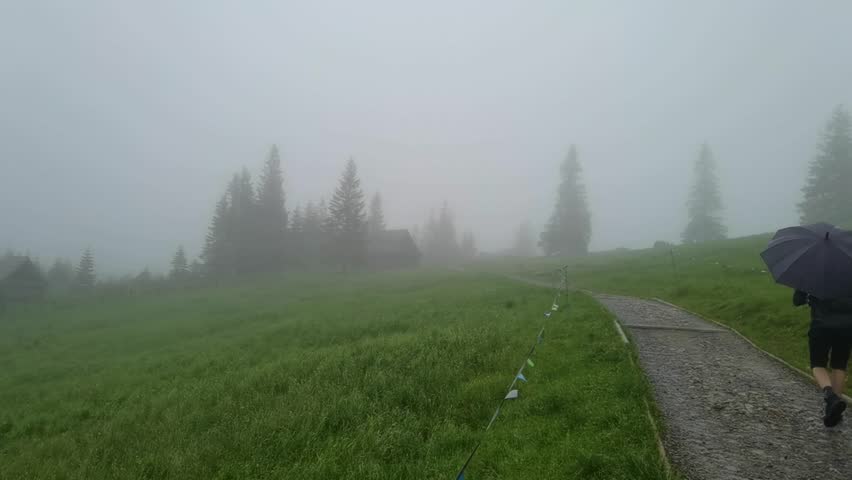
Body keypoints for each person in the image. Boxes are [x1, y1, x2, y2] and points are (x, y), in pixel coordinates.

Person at [794, 289, 852, 427]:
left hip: (821, 325)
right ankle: (833, 411)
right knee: (839, 365)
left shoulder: (814, 275)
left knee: (818, 364)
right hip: (847, 327)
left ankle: (830, 396)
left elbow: (797, 301)